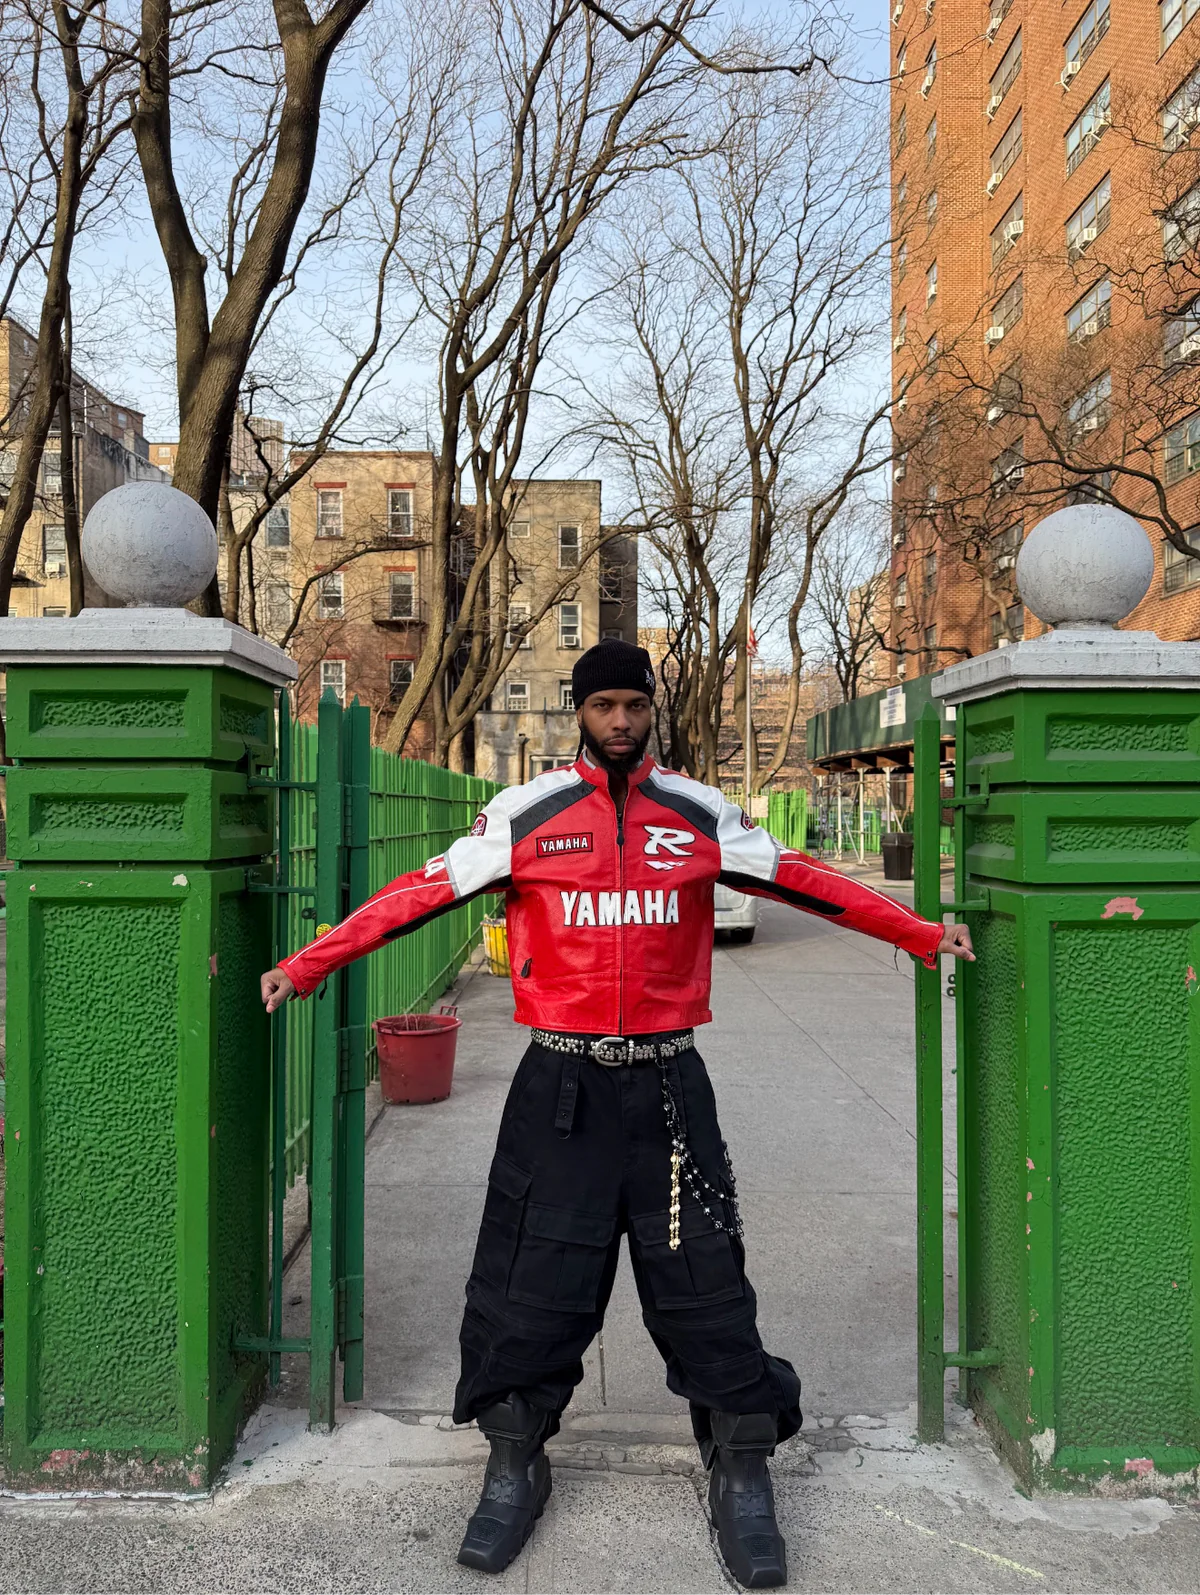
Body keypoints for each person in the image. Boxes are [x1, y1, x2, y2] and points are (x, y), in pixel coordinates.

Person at [260, 638, 974, 1589]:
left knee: (704, 1278)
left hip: (671, 1084)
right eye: (605, 706)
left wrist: (919, 932)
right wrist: (309, 964)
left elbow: (805, 877)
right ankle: (515, 1460)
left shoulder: (698, 812)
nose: (623, 722)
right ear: (581, 713)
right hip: (560, 1086)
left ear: (652, 710)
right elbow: (419, 891)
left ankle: (741, 1462)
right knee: (531, 1280)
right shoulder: (528, 812)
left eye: (636, 705)